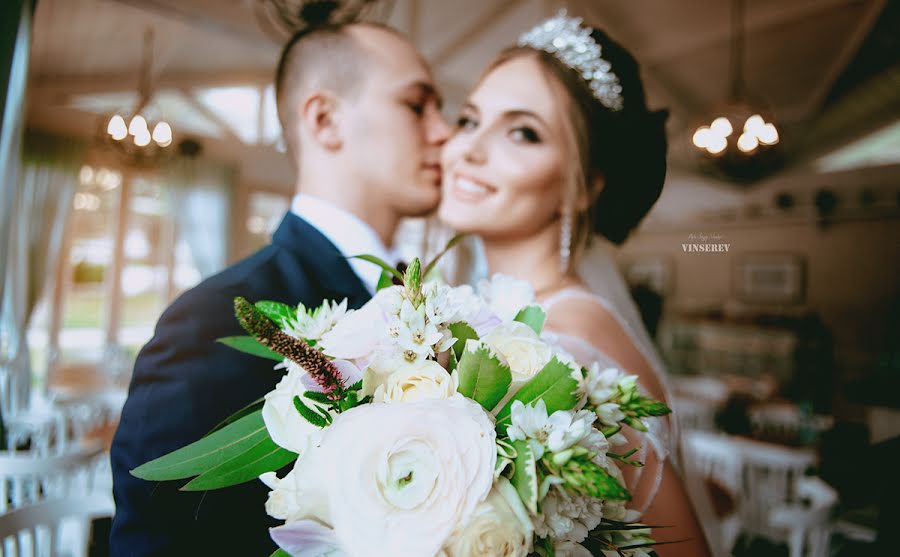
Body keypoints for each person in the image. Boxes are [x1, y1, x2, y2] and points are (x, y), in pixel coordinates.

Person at [109, 10, 450, 556]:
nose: (444, 131)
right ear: (324, 119)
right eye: (416, 105)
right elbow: (162, 539)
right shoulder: (213, 321)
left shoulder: (431, 310)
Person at [437, 11, 711, 555]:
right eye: (469, 120)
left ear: (583, 187)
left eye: (523, 132)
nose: (467, 149)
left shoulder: (571, 345)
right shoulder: (489, 314)